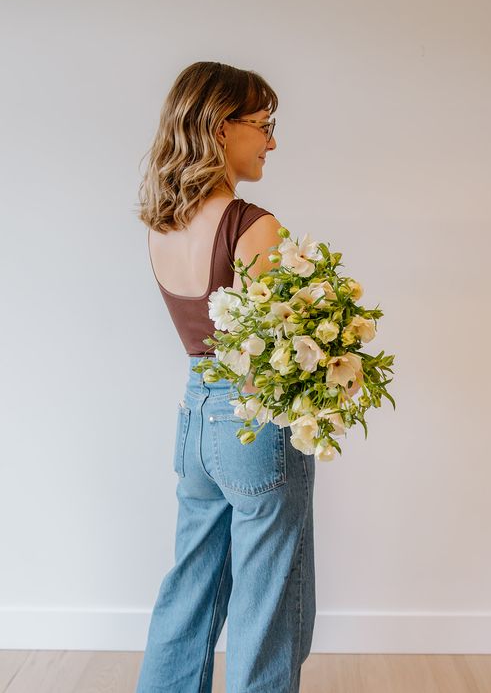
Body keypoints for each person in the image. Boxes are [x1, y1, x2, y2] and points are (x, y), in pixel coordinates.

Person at [134, 61, 315, 693]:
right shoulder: (251, 224)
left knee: (190, 590)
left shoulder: (164, 225)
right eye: (263, 124)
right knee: (268, 606)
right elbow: (273, 356)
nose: (272, 141)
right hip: (251, 421)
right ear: (220, 128)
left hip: (195, 421)